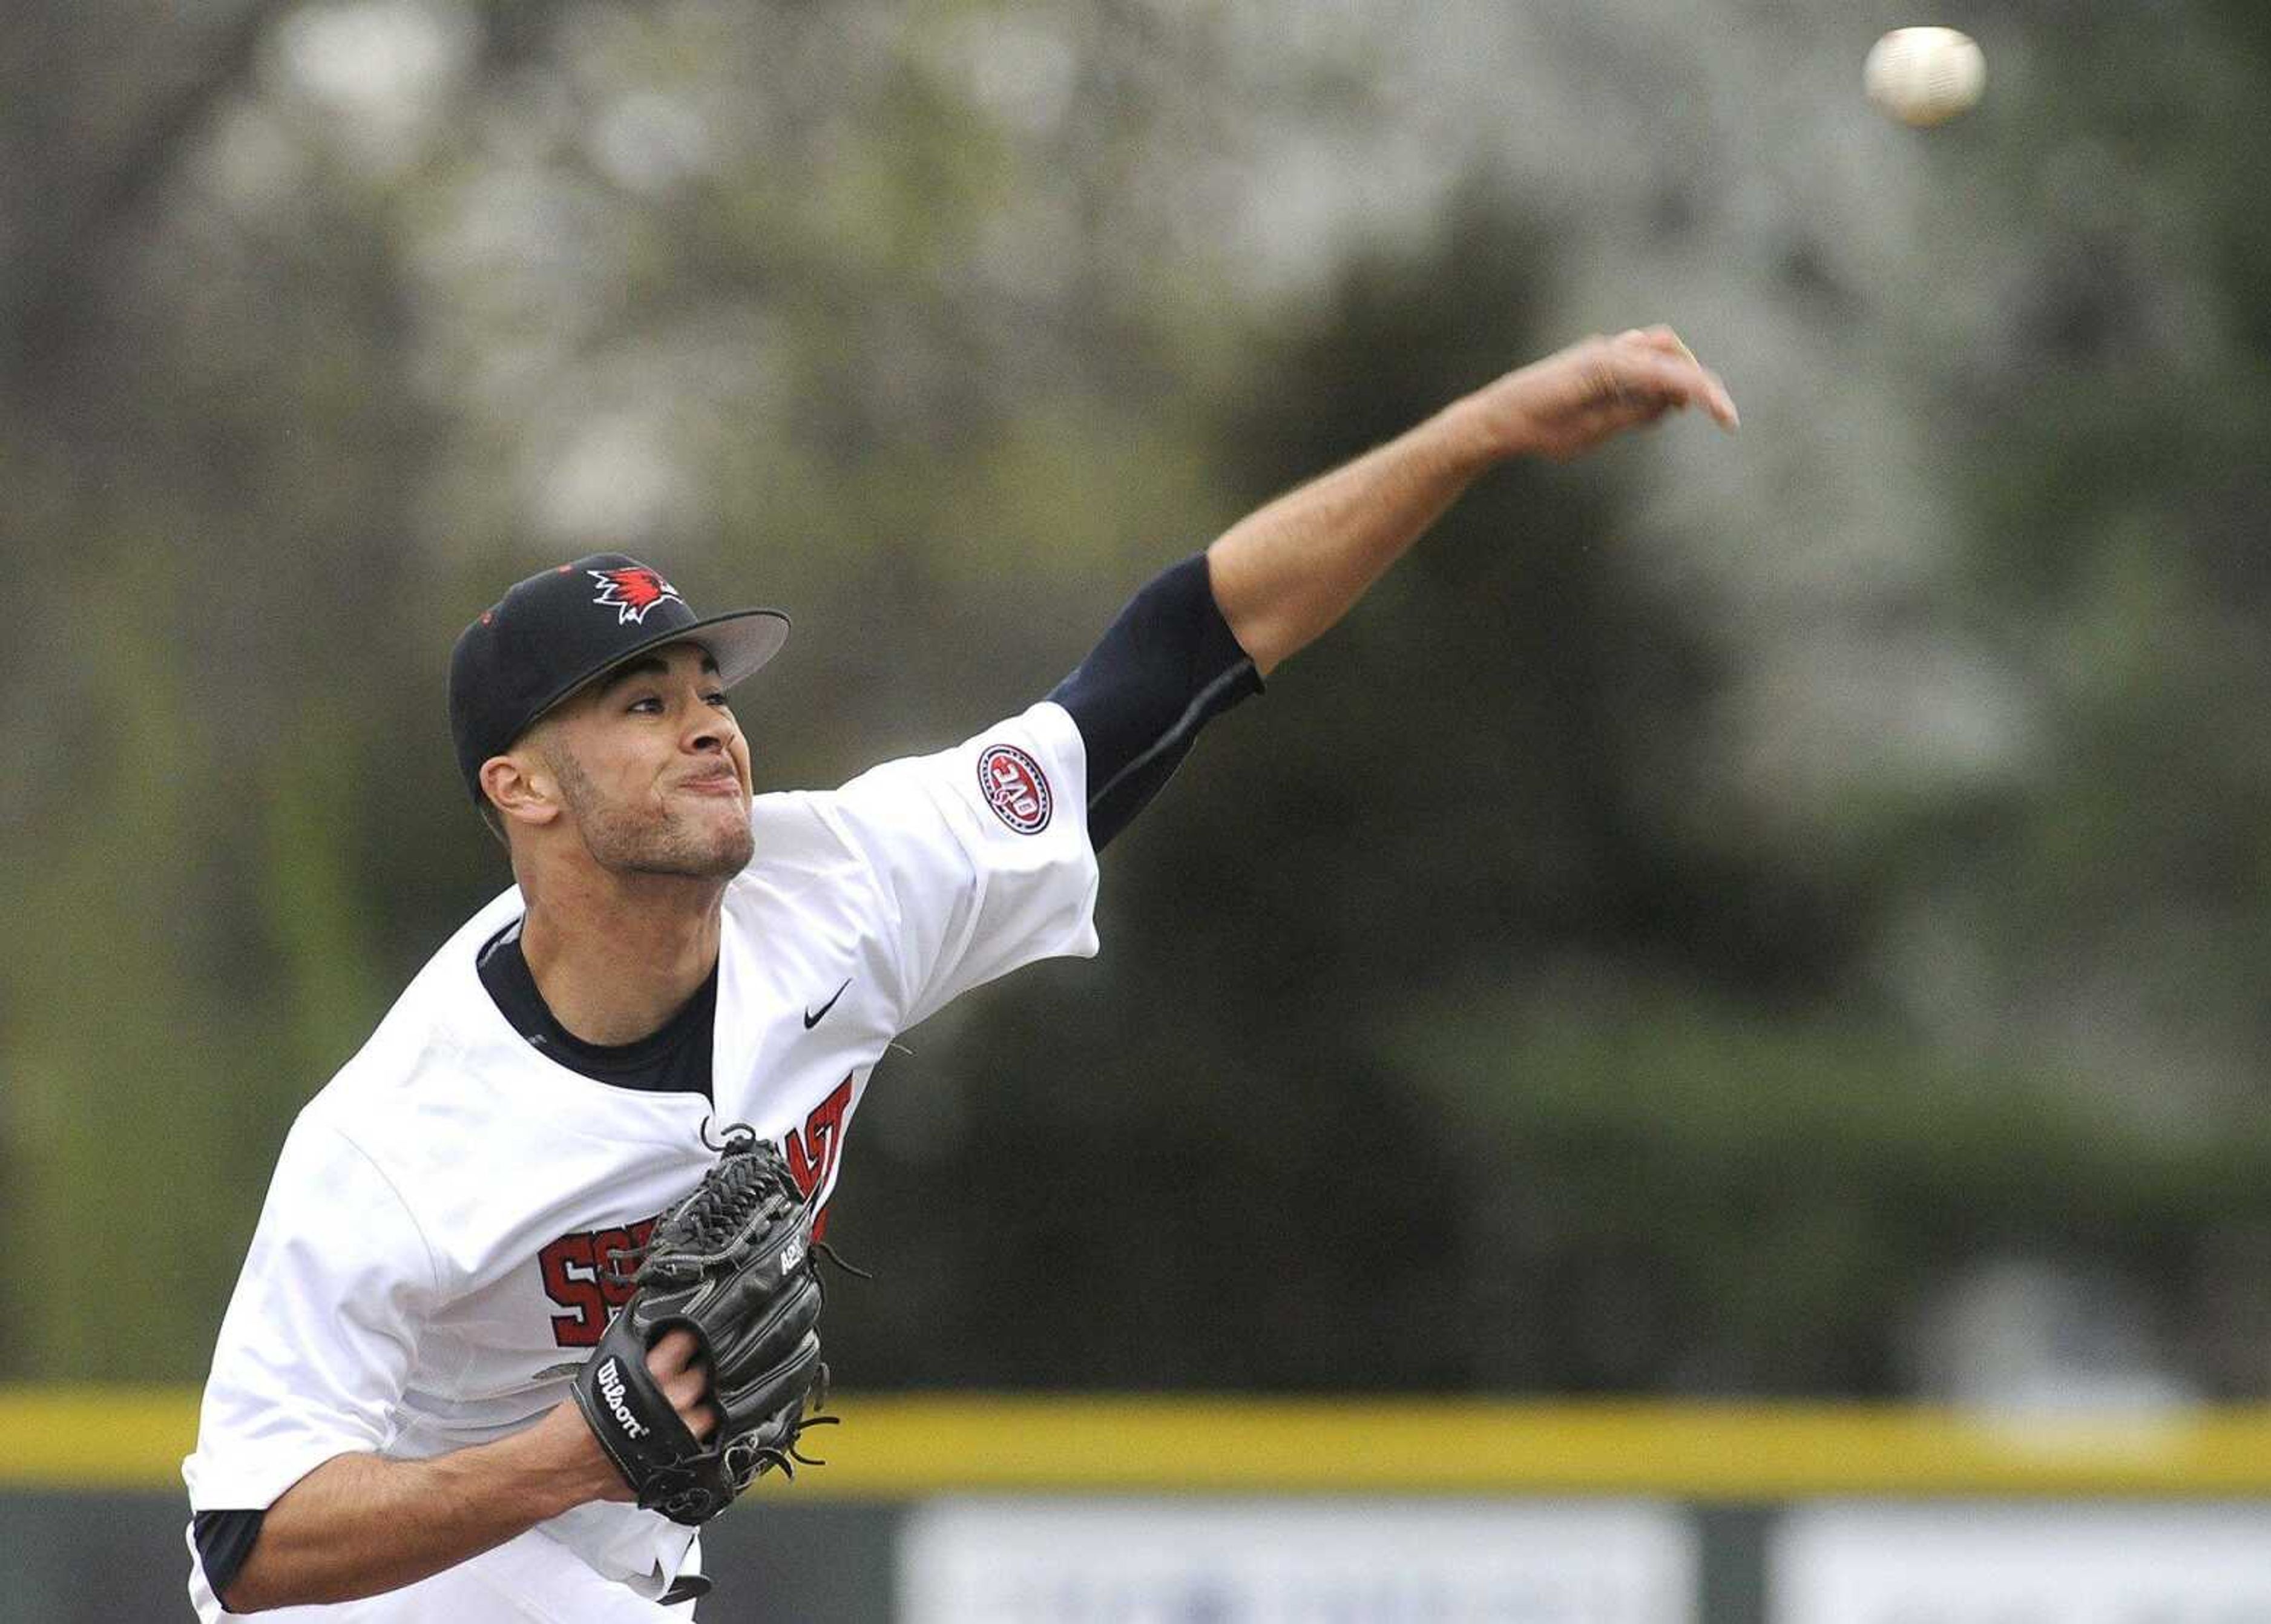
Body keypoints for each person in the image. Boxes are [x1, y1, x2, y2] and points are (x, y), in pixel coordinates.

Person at [182, 329, 1737, 1620]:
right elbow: (247, 1539)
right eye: (639, 705)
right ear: (521, 791)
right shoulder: (394, 1138)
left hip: (617, 1568)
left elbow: (1177, 656)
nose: (711, 724)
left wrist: (1471, 433)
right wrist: (582, 1449)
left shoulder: (842, 891)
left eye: (706, 685)